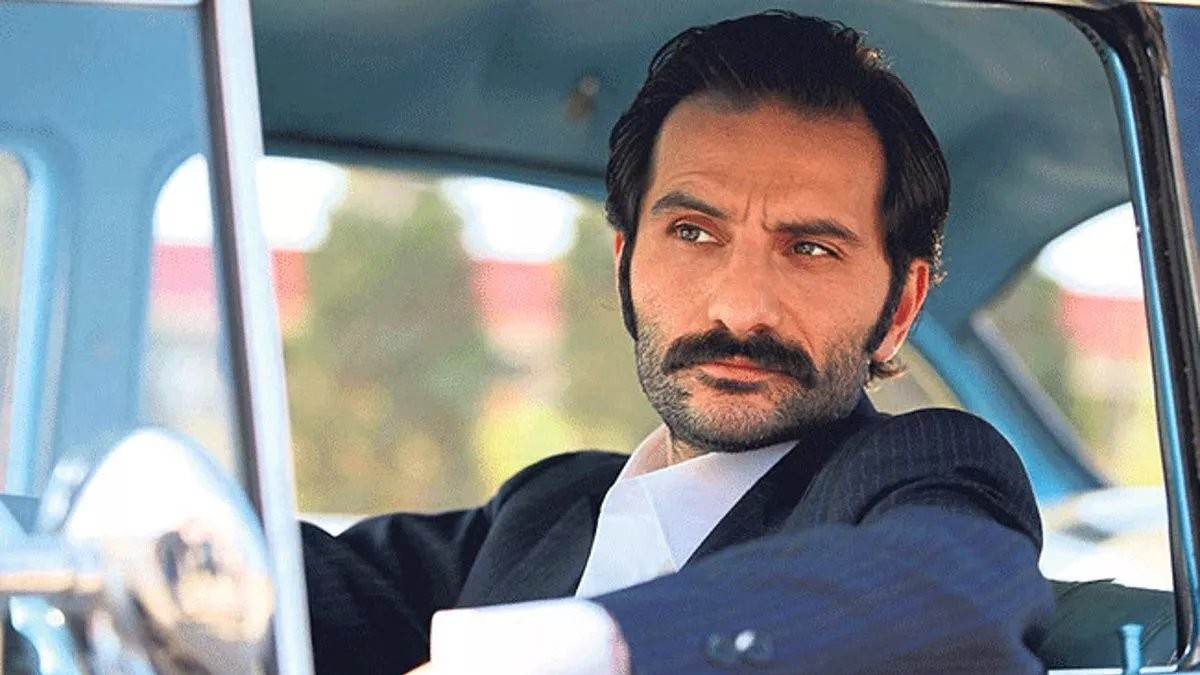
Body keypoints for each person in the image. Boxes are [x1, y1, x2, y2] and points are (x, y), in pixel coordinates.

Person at [301, 11, 1052, 674]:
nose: (740, 307)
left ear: (900, 306)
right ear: (625, 262)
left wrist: (587, 652)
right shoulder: (547, 506)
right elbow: (278, 591)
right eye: (693, 233)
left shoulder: (918, 472)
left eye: (810, 249)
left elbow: (951, 588)